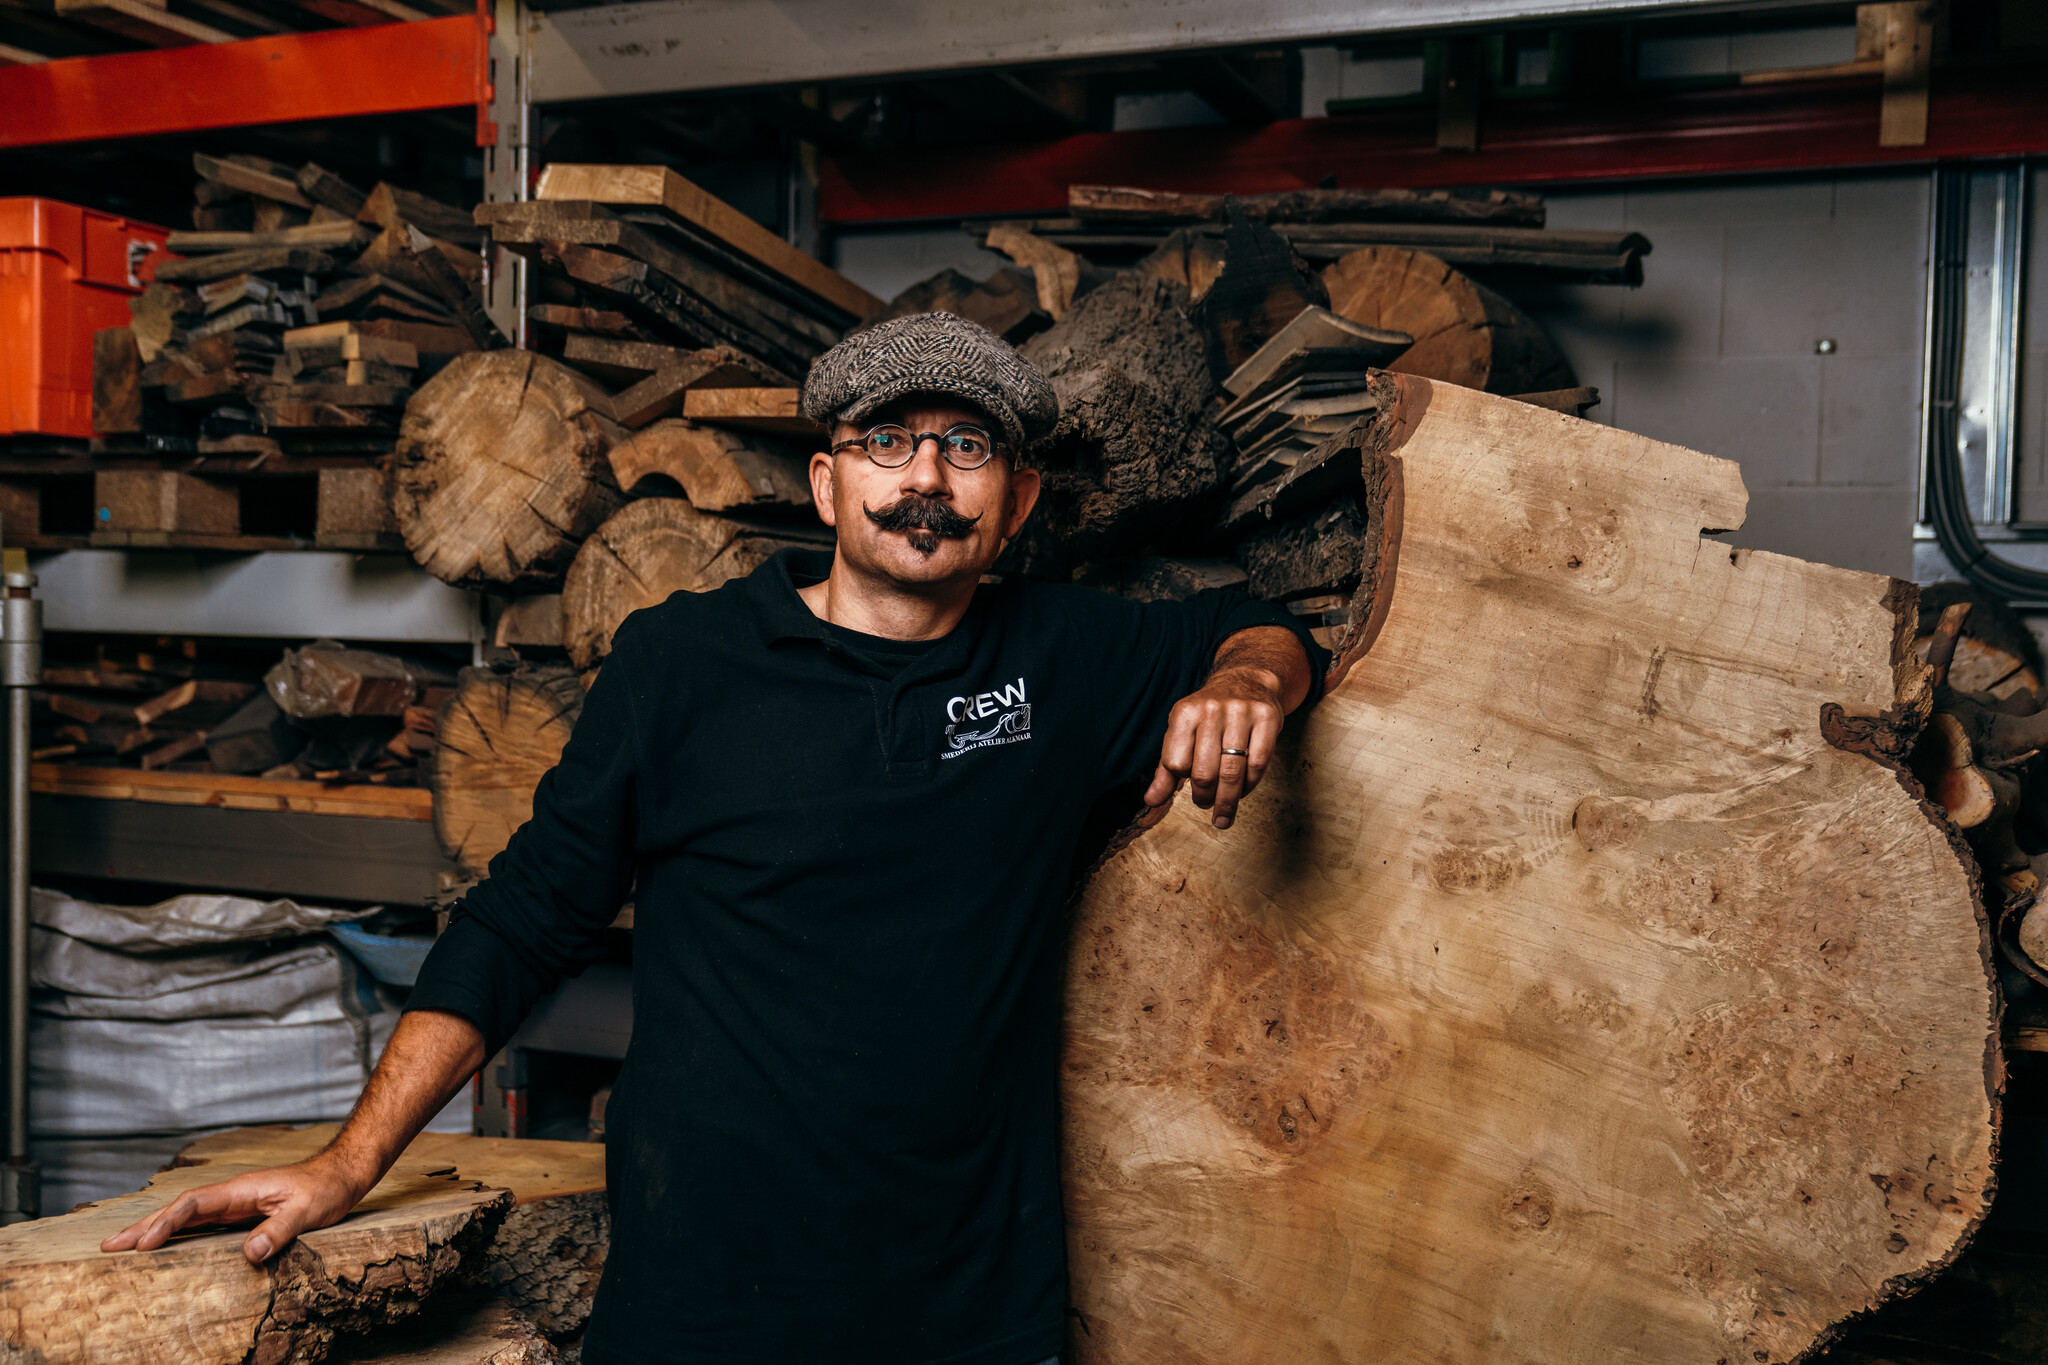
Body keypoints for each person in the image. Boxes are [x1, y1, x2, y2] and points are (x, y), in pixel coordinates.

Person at [103, 313, 1323, 1365]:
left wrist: (1252, 684)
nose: (927, 479)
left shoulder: (1061, 659)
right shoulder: (687, 665)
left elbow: (1262, 623)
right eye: (887, 443)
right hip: (705, 1300)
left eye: (968, 447)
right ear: (827, 483)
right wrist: (347, 1163)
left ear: (1019, 498)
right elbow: (526, 920)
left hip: (966, 1306)